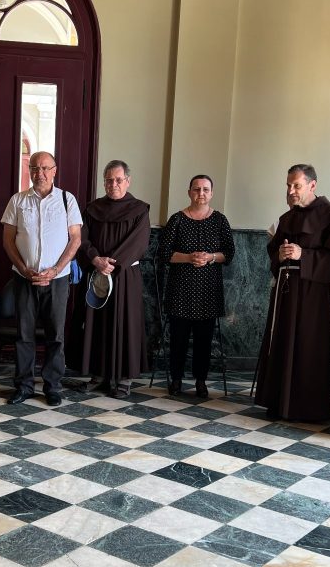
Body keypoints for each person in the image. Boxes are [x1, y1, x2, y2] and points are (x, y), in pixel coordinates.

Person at [255, 164, 330, 422]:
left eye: (296, 185)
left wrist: (303, 255)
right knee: (283, 341)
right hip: (286, 289)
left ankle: (307, 407)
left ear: (312, 185)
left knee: (308, 344)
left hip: (312, 292)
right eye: (288, 185)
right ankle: (280, 402)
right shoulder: (288, 218)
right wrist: (280, 254)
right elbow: (274, 251)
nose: (291, 191)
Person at [1, 151, 82, 406]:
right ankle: (24, 386)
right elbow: (8, 240)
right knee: (24, 335)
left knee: (55, 335)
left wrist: (56, 269)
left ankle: (52, 387)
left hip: (57, 279)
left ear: (54, 171)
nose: (40, 173)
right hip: (24, 278)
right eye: (35, 168)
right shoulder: (17, 200)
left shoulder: (67, 200)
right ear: (30, 171)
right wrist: (23, 268)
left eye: (45, 168)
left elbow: (75, 239)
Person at [73, 161, 150, 398]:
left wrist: (111, 264)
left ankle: (124, 379)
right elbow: (81, 238)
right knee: (97, 324)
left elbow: (138, 242)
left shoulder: (139, 210)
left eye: (118, 180)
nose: (113, 184)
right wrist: (95, 259)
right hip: (96, 272)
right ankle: (98, 375)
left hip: (125, 276)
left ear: (128, 181)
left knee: (125, 323)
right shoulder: (92, 208)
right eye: (108, 180)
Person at [160, 174, 235, 397]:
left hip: (208, 290)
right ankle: (176, 379)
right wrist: (188, 257)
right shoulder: (177, 219)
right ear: (189, 192)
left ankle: (201, 381)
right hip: (180, 289)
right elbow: (164, 253)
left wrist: (210, 257)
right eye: (196, 189)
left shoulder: (220, 220)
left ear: (211, 193)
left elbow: (229, 253)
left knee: (204, 339)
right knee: (178, 338)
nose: (200, 193)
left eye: (205, 189)